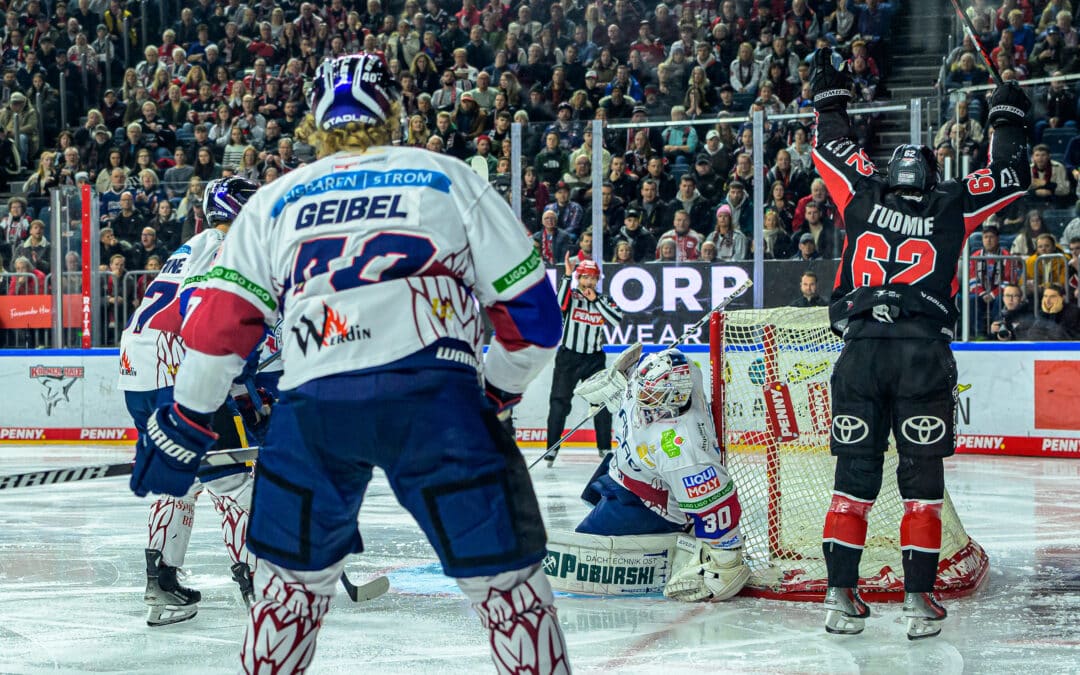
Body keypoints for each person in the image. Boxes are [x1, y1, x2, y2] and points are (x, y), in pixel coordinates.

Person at [127, 54, 570, 674]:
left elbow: (217, 333)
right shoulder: (446, 177)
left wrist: (185, 424)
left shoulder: (274, 201)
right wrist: (493, 398)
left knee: (287, 598)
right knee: (510, 594)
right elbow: (536, 324)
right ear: (392, 110)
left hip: (314, 413)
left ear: (315, 119)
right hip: (437, 401)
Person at [809, 48, 1031, 639]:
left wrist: (829, 94)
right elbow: (1010, 176)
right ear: (933, 178)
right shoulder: (953, 203)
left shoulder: (860, 190)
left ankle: (840, 596)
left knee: (852, 478)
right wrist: (1006, 112)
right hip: (922, 354)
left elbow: (829, 143)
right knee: (921, 479)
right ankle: (918, 601)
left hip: (859, 350)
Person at [119, 176, 261, 627]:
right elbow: (206, 309)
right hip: (177, 371)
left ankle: (161, 586)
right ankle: (263, 590)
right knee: (234, 478)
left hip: (137, 369)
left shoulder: (193, 245)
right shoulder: (227, 246)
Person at [571, 347, 750, 602]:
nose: (641, 394)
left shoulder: (682, 451)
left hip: (647, 501)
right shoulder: (681, 372)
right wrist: (623, 378)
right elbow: (666, 366)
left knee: (583, 559)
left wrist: (725, 561)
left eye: (651, 395)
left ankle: (678, 537)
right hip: (625, 471)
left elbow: (718, 507)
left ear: (673, 398)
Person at [544, 255, 624, 464]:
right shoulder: (572, 296)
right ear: (579, 278)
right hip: (569, 357)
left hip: (594, 359)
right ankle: (551, 449)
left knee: (602, 404)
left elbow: (616, 320)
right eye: (585, 277)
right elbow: (558, 304)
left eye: (593, 278)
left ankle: (604, 448)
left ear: (598, 280)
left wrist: (595, 300)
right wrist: (568, 276)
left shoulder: (604, 299)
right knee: (559, 403)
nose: (588, 282)